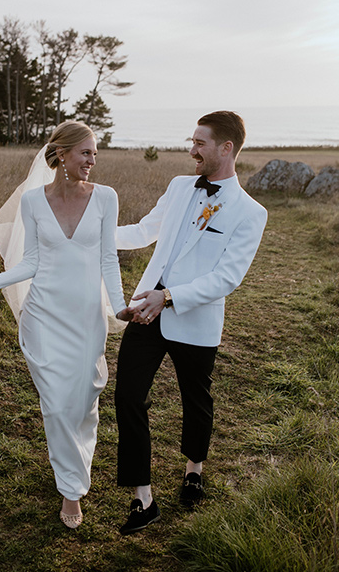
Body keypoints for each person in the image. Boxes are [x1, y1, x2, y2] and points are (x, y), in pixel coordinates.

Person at [0, 121, 132, 529]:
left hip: (87, 315)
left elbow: (109, 259)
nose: (92, 160)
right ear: (63, 154)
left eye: (95, 154)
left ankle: (75, 459)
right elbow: (30, 263)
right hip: (43, 316)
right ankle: (71, 490)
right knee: (55, 405)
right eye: (86, 153)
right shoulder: (34, 201)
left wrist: (120, 307)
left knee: (84, 399)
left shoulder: (106, 198)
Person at [114, 110, 267, 534]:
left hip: (194, 318)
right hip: (147, 309)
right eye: (192, 141)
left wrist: (172, 297)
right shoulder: (180, 186)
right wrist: (89, 231)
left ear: (226, 147)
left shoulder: (251, 212)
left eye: (199, 143)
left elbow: (227, 278)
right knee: (128, 397)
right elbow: (145, 231)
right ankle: (142, 499)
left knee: (195, 400)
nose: (191, 150)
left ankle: (193, 470)